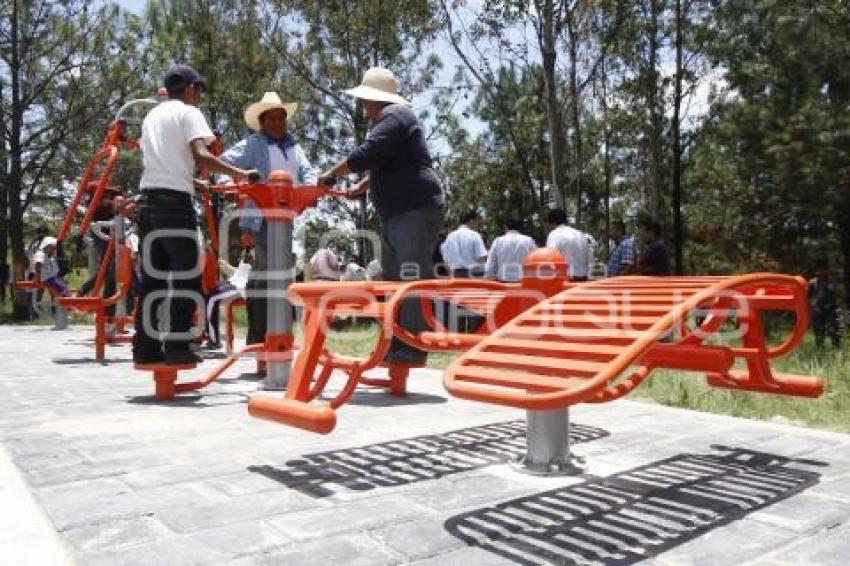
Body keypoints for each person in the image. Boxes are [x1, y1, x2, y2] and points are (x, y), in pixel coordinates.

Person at [317, 66, 444, 364]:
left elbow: (370, 153)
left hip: (413, 210)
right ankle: (396, 342)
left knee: (409, 279)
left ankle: (411, 346)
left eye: (364, 100)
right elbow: (389, 162)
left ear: (375, 98)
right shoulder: (391, 120)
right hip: (398, 213)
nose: (363, 106)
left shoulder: (395, 115)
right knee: (393, 279)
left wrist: (332, 173)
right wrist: (363, 185)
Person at [132, 64, 255, 365]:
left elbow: (167, 162)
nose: (199, 97)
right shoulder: (188, 112)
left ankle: (145, 347)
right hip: (175, 205)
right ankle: (177, 345)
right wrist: (240, 173)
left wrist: (193, 181)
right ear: (190, 89)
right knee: (186, 276)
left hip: (147, 204)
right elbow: (201, 155)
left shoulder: (152, 116)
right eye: (199, 90)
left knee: (153, 281)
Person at [220, 91, 317, 347]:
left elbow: (308, 171)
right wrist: (229, 184)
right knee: (266, 275)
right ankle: (259, 337)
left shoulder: (294, 146)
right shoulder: (254, 143)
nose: (277, 123)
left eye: (281, 118)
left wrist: (313, 188)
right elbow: (224, 163)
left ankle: (279, 334)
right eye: (271, 119)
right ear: (262, 122)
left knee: (281, 275)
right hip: (260, 218)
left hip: (286, 219)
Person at [206, 249, 252, 347]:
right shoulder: (249, 250)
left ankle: (213, 340)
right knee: (209, 290)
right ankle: (211, 335)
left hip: (239, 288)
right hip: (233, 283)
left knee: (211, 299)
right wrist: (226, 266)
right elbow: (241, 272)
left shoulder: (257, 251)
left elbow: (248, 275)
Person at [545, 209, 594, 281]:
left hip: (564, 279)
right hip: (582, 279)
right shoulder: (580, 234)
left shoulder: (554, 235)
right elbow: (590, 259)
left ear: (553, 222)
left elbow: (550, 257)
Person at [33, 237, 70, 330]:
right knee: (62, 290)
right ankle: (67, 304)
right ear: (46, 247)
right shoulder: (40, 254)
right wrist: (38, 278)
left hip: (51, 277)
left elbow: (55, 271)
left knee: (62, 289)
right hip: (46, 278)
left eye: (54, 248)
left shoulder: (50, 258)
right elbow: (38, 265)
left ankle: (65, 305)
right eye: (52, 248)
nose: (53, 250)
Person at [485, 217, 537, 283]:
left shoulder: (498, 241)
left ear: (505, 227)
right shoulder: (529, 241)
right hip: (523, 283)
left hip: (502, 283)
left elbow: (490, 265)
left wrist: (490, 279)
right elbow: (535, 262)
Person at [441, 211, 488, 278]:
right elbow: (481, 259)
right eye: (477, 221)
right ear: (471, 220)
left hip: (455, 275)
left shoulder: (450, 237)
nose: (477, 224)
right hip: (473, 275)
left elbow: (446, 262)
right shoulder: (474, 235)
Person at [808, 258, 841, 348]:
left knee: (834, 331)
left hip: (830, 310)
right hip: (817, 310)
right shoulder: (812, 283)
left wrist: (829, 305)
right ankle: (820, 349)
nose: (821, 271)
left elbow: (834, 296)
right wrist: (813, 306)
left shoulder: (831, 282)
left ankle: (836, 348)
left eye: (823, 269)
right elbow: (808, 298)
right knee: (818, 333)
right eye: (819, 269)